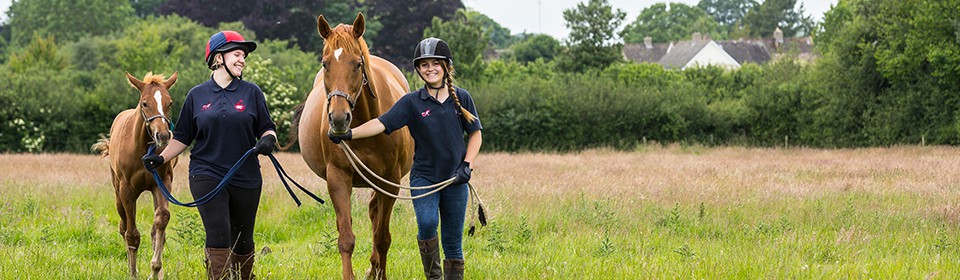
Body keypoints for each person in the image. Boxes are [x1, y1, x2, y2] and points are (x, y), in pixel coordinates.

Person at [328, 37, 482, 280]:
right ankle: (433, 276)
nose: (430, 69)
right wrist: (349, 133)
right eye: (424, 65)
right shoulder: (411, 102)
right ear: (418, 70)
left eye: (435, 63)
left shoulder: (461, 98)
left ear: (446, 66)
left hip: (455, 179)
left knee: (453, 240)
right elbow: (381, 123)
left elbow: (475, 134)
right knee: (428, 224)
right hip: (424, 178)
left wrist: (467, 165)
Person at [142, 30, 277, 280]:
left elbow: (267, 127)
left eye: (244, 56)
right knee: (218, 231)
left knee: (243, 236)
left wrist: (269, 138)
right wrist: (161, 158)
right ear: (218, 58)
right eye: (237, 54)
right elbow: (182, 136)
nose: (242, 59)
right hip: (206, 173)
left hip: (245, 174)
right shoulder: (197, 95)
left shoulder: (252, 92)